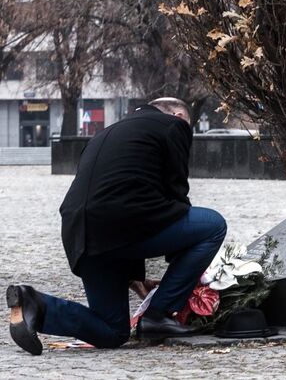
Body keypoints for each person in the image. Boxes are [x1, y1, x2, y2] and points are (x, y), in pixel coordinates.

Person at [6, 98, 227, 355]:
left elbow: (124, 190)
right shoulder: (173, 125)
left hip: (82, 235)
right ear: (178, 116)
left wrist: (134, 278)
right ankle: (159, 314)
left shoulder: (104, 134)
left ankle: (37, 305)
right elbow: (176, 195)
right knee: (212, 226)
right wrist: (181, 261)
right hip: (119, 227)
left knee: (113, 331)